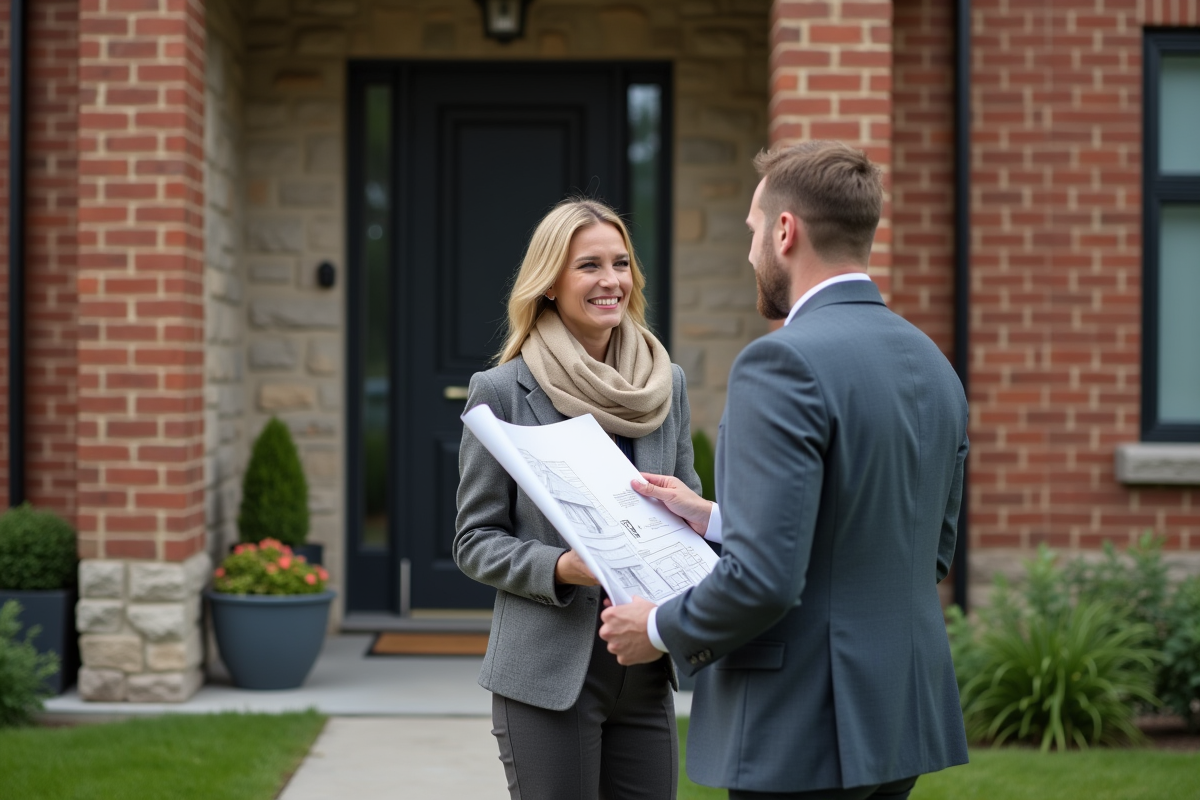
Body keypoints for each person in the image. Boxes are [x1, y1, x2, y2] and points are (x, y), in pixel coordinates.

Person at [599, 141, 970, 800]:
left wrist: (655, 627)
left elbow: (765, 579)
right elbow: (923, 549)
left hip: (803, 723)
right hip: (898, 714)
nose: (749, 254)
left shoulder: (781, 364)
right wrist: (715, 518)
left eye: (751, 232)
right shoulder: (933, 365)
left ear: (785, 230)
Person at [454, 198, 704, 800]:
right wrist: (562, 566)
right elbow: (473, 541)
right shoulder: (502, 390)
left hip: (643, 670)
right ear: (550, 284)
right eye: (589, 265)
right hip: (547, 677)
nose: (611, 280)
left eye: (621, 263)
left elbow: (689, 498)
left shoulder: (664, 384)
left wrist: (692, 520)